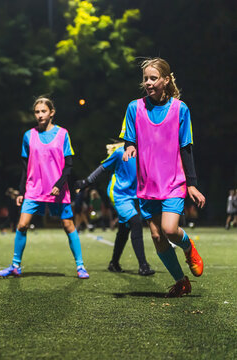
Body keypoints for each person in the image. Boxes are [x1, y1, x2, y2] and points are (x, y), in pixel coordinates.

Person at [121, 58, 205, 297]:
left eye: (153, 78)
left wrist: (192, 184)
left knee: (169, 229)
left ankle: (188, 248)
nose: (148, 82)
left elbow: (186, 147)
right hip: (147, 183)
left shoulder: (181, 109)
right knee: (157, 235)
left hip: (173, 182)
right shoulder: (134, 108)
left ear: (166, 80)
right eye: (146, 78)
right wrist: (129, 147)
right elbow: (130, 138)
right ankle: (181, 281)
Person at [0, 97, 89, 279]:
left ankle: (80, 267)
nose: (40, 115)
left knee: (68, 225)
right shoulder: (28, 136)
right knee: (22, 225)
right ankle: (15, 266)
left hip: (57, 189)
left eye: (43, 111)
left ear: (51, 113)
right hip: (33, 189)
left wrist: (60, 184)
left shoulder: (63, 134)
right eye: (37, 112)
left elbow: (69, 165)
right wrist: (21, 191)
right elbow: (25, 166)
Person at [75, 142, 155, 275]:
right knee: (135, 222)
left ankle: (114, 263)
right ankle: (143, 265)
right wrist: (86, 182)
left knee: (124, 230)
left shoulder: (145, 151)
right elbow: (102, 167)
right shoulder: (119, 152)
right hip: (119, 194)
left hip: (133, 196)